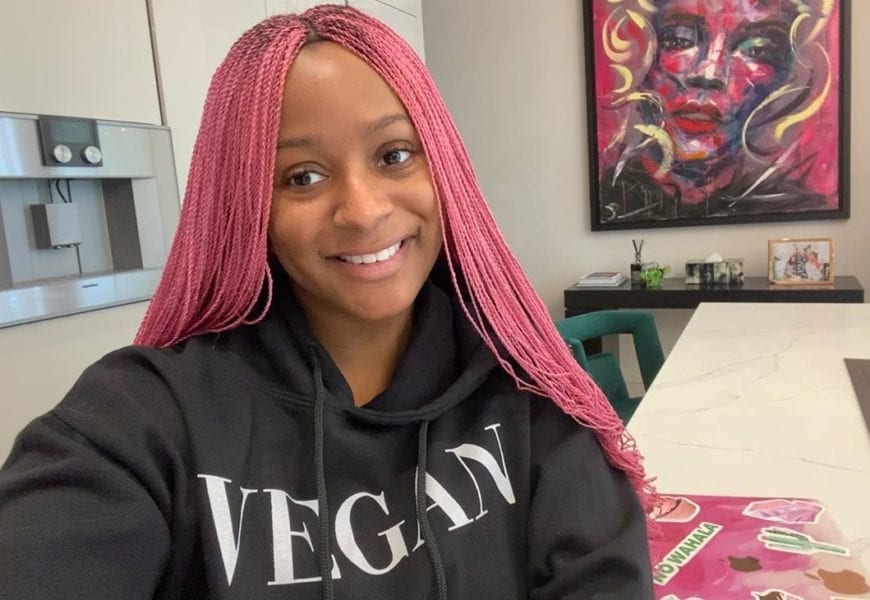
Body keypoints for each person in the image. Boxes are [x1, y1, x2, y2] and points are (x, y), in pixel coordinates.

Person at [0, 6, 656, 599]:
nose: (363, 211)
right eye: (303, 176)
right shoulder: (147, 414)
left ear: (444, 168)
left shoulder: (527, 385)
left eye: (394, 155)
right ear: (249, 206)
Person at [596, 0, 836, 224]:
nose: (709, 75)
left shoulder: (797, 211)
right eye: (680, 40)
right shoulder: (604, 198)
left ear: (783, 77)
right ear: (642, 53)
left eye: (756, 50)